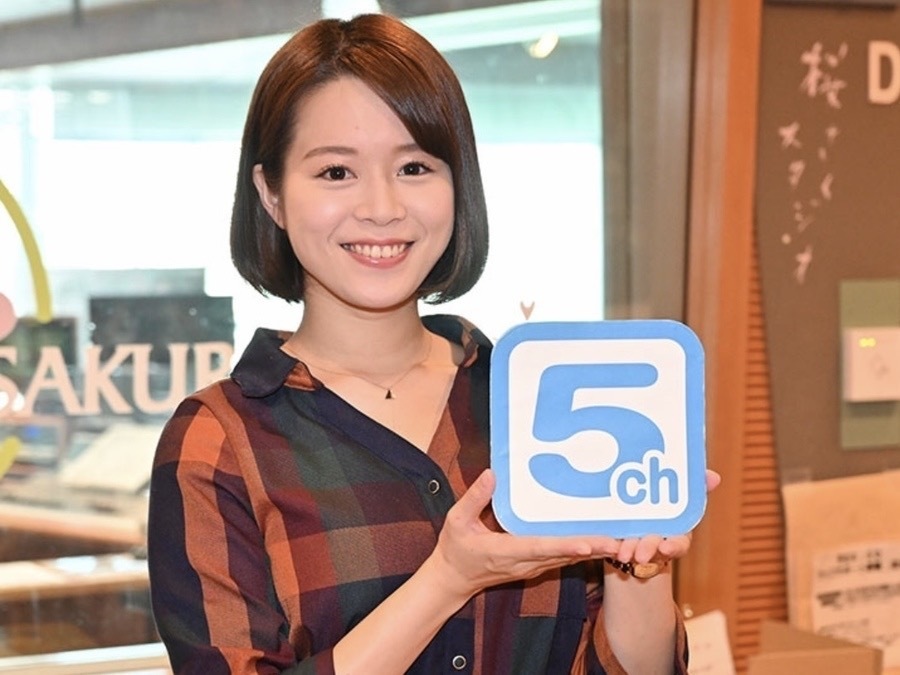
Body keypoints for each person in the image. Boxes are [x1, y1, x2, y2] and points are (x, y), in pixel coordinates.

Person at [147, 12, 718, 675]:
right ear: (271, 193)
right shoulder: (219, 441)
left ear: (457, 182)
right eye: (335, 173)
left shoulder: (533, 399)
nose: (382, 207)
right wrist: (447, 578)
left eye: (415, 166)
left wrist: (640, 562)